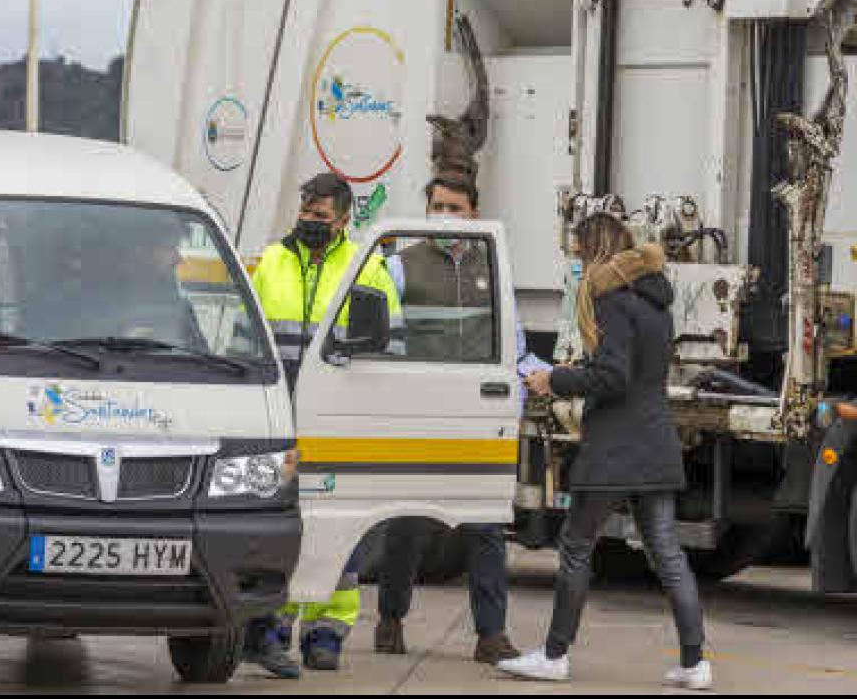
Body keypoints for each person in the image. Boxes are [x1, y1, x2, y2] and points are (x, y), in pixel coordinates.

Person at [497, 213, 712, 689]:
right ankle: (696, 662)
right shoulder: (655, 302)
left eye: (578, 253)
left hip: (617, 445)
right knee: (668, 552)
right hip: (655, 440)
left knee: (576, 546)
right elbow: (635, 371)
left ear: (596, 251)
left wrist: (554, 379)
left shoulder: (614, 301)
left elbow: (613, 376)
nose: (576, 263)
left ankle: (554, 654)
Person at [374, 175, 549, 665]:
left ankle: (490, 635)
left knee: (486, 526)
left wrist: (546, 375)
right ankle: (390, 618)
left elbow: (511, 346)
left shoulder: (492, 268)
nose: (444, 216)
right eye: (436, 207)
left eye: (453, 208)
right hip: (420, 414)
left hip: (476, 416)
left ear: (474, 213)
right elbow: (385, 338)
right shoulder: (399, 267)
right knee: (408, 523)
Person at [244, 172, 404, 677]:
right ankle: (275, 626)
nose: (310, 223)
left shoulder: (366, 267)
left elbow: (391, 346)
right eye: (306, 213)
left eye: (321, 217)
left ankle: (327, 632)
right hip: (279, 417)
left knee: (340, 531)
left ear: (341, 221)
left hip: (339, 419)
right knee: (285, 524)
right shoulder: (269, 262)